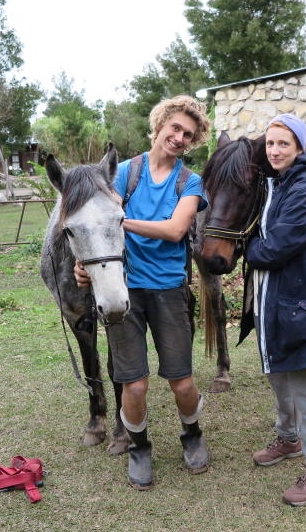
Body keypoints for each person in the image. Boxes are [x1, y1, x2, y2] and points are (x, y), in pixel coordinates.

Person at [74, 95, 211, 491]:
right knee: (133, 383)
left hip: (169, 291)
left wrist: (122, 220)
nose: (180, 137)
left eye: (188, 134)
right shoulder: (124, 173)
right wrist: (83, 265)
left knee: (181, 381)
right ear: (160, 125)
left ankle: (192, 434)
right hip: (125, 292)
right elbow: (93, 221)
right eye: (175, 128)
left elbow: (174, 230)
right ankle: (139, 446)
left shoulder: (190, 182)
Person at [245, 113, 306, 506]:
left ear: (300, 147)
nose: (275, 150)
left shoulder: (305, 188)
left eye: (283, 143)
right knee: (279, 372)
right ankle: (289, 438)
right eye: (270, 143)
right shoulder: (280, 184)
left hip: (302, 301)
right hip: (280, 299)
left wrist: (244, 249)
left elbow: (275, 247)